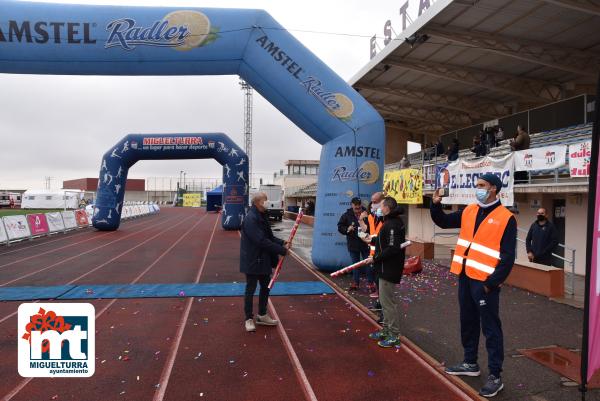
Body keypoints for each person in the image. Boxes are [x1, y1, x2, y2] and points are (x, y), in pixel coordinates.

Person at [430, 173, 516, 398]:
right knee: (467, 321)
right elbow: (443, 221)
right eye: (476, 185)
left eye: (482, 185)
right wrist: (435, 205)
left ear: (494, 189)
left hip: (485, 282)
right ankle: (470, 363)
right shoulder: (470, 210)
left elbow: (508, 257)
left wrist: (492, 283)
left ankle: (495, 376)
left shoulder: (506, 218)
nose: (478, 189)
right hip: (465, 277)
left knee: (491, 328)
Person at [240, 192, 290, 332]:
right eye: (265, 200)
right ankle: (248, 319)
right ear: (258, 202)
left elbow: (269, 237)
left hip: (264, 259)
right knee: (250, 289)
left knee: (266, 287)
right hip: (252, 259)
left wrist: (283, 242)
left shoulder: (262, 215)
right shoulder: (251, 218)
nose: (267, 202)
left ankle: (262, 314)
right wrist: (282, 250)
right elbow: (260, 241)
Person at [364, 196, 406, 348]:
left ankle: (393, 335)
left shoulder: (393, 224)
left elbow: (393, 248)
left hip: (389, 268)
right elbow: (386, 241)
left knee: (388, 304)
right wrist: (373, 241)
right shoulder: (388, 222)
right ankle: (386, 330)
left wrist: (375, 259)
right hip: (383, 268)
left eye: (380, 205)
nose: (377, 208)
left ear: (387, 208)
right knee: (384, 302)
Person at [337, 197, 375, 292]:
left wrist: (367, 233)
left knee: (368, 264)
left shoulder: (367, 214)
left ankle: (370, 283)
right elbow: (340, 226)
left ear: (361, 205)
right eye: (356, 207)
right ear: (352, 205)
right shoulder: (347, 215)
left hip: (366, 244)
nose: (358, 209)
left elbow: (372, 227)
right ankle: (355, 283)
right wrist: (347, 229)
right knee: (355, 265)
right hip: (353, 244)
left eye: (359, 207)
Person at [359, 192, 385, 299]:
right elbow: (367, 231)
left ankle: (380, 294)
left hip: (382, 250)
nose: (373, 205)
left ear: (383, 202)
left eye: (375, 202)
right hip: (372, 250)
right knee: (375, 273)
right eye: (372, 202)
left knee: (380, 275)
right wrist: (360, 220)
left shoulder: (386, 218)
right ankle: (378, 292)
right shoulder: (371, 217)